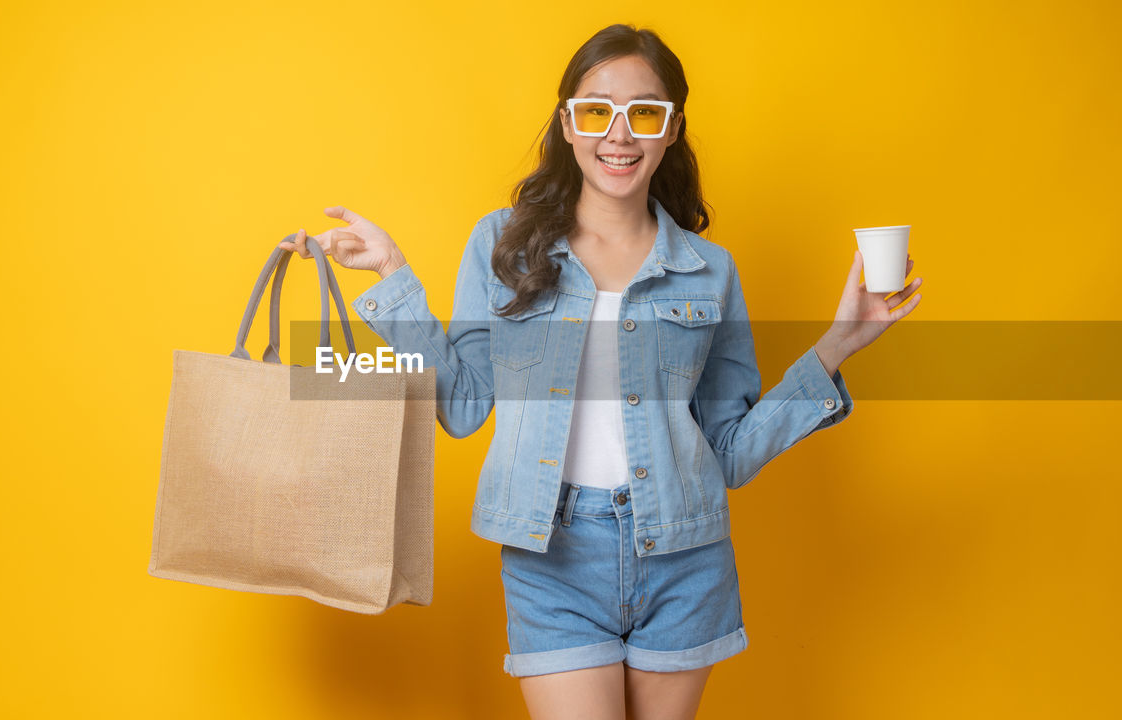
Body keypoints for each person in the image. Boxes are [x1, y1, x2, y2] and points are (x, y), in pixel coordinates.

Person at [277, 23, 923, 720]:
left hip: (685, 555)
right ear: (568, 122)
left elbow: (730, 452)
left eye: (644, 111)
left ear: (671, 128)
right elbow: (463, 406)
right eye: (597, 110)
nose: (619, 135)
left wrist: (836, 346)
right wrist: (393, 277)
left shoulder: (710, 272)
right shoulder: (502, 246)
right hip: (550, 554)